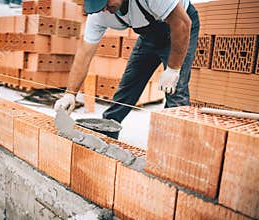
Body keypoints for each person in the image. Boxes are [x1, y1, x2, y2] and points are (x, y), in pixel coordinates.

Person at [54, 0, 200, 139]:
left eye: (105, 2)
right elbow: (84, 54)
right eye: (98, 6)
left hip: (180, 26)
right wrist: (70, 93)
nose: (104, 9)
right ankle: (106, 136)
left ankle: (173, 149)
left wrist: (173, 69)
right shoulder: (99, 15)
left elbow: (182, 24)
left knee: (176, 92)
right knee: (128, 86)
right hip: (149, 37)